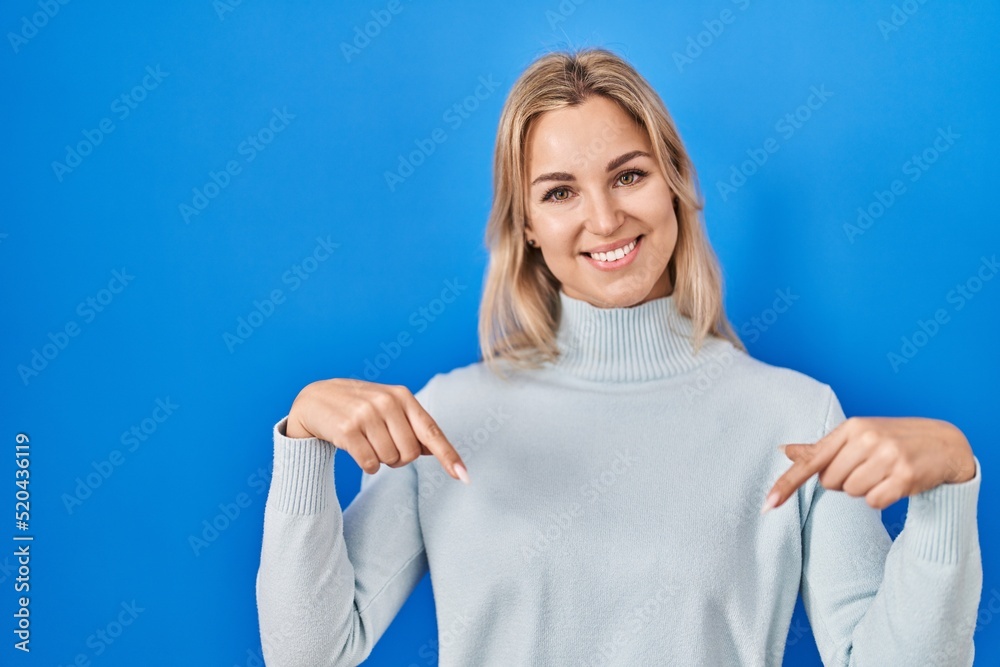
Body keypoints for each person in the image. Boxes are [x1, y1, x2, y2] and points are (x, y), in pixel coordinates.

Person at [255, 47, 983, 666]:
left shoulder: (794, 415)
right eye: (560, 191)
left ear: (675, 184)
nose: (604, 218)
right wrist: (303, 443)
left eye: (629, 175)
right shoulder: (448, 416)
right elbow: (309, 650)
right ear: (529, 226)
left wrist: (947, 487)